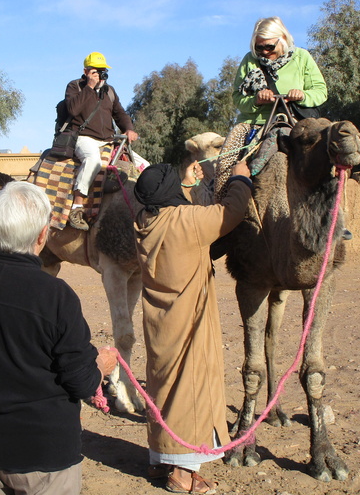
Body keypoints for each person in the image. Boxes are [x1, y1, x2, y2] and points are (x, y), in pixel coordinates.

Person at [0, 181, 118, 495]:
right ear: (44, 234)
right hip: (44, 459)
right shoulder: (57, 297)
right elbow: (81, 382)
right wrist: (101, 364)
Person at [133, 159, 253, 494]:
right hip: (189, 323)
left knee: (163, 386)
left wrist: (184, 183)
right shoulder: (188, 221)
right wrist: (241, 179)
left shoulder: (144, 220)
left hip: (161, 325)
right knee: (190, 388)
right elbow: (232, 211)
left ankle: (160, 459)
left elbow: (175, 212)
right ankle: (182, 474)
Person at [214, 16, 327, 199]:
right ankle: (223, 213)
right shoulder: (249, 60)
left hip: (295, 121)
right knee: (224, 168)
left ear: (282, 38)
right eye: (259, 47)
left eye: (269, 47)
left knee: (328, 157)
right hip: (253, 123)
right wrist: (256, 100)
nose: (264, 52)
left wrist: (302, 95)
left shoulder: (302, 57)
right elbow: (237, 98)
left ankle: (330, 210)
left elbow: (321, 92)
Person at [65, 51, 139, 231]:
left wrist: (128, 128)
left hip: (108, 140)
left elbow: (119, 113)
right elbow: (73, 110)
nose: (100, 74)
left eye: (103, 70)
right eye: (95, 70)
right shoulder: (75, 87)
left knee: (140, 165)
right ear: (86, 71)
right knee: (93, 161)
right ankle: (77, 207)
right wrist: (89, 87)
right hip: (83, 138)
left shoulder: (109, 91)